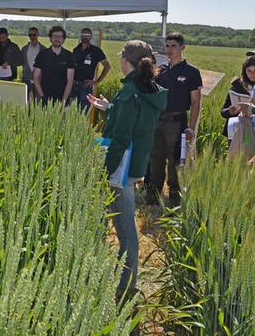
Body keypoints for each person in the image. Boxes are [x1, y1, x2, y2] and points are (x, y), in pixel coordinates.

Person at [88, 40, 168, 302]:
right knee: (123, 224)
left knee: (125, 229)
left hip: (119, 167)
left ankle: (127, 285)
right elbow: (137, 118)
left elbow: (121, 137)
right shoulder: (148, 89)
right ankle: (125, 279)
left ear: (125, 61)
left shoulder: (130, 92)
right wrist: (110, 107)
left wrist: (104, 169)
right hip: (133, 163)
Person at [145, 32, 202, 207]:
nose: (170, 50)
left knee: (175, 161)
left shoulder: (191, 72)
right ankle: (153, 198)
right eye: (167, 46)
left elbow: (196, 102)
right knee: (156, 158)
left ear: (182, 47)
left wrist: (191, 128)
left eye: (174, 46)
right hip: (158, 120)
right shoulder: (160, 70)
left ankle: (174, 201)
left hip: (177, 122)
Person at [220, 56, 255, 139]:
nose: (252, 74)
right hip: (236, 129)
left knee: (252, 151)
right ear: (244, 71)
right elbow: (223, 112)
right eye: (249, 71)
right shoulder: (237, 86)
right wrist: (230, 111)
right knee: (235, 152)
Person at [33, 26, 75, 105]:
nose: (57, 38)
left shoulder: (69, 56)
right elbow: (35, 78)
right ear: (50, 38)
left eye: (60, 36)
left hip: (63, 97)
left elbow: (70, 80)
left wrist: (64, 100)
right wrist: (42, 97)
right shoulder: (42, 54)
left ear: (63, 39)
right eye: (54, 36)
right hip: (45, 97)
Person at [72, 28, 111, 110]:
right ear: (80, 36)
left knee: (83, 113)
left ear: (91, 37)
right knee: (71, 113)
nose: (85, 36)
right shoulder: (76, 50)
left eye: (87, 35)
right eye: (83, 34)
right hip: (73, 85)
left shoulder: (96, 51)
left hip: (85, 87)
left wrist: (96, 82)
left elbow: (107, 66)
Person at [21, 27, 46, 100]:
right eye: (30, 35)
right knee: (25, 101)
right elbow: (22, 63)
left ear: (38, 35)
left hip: (40, 80)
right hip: (26, 79)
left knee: (39, 101)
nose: (32, 37)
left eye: (34, 35)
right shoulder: (24, 49)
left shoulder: (44, 49)